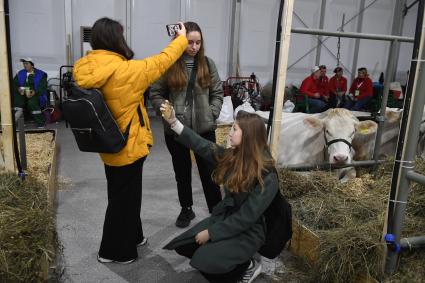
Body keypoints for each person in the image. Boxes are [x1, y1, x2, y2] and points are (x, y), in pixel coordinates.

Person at [72, 17, 188, 264]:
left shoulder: (84, 67)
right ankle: (114, 252)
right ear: (116, 39)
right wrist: (181, 40)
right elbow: (162, 61)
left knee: (123, 194)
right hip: (128, 144)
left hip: (106, 143)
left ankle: (135, 236)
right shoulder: (126, 71)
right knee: (122, 200)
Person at [161, 107, 278, 283]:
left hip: (249, 230)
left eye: (235, 129)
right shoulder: (234, 156)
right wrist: (173, 123)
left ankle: (248, 266)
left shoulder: (267, 175)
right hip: (226, 218)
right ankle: (225, 253)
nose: (229, 133)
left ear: (248, 135)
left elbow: (246, 218)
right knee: (184, 246)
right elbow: (201, 145)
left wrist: (211, 233)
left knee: (205, 261)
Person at [150, 21, 223, 228]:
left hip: (204, 129)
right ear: (180, 41)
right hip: (176, 130)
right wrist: (166, 111)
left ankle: (216, 211)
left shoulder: (208, 64)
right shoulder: (169, 65)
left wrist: (212, 113)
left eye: (198, 42)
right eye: (190, 42)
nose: (194, 47)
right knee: (181, 172)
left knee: (210, 172)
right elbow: (155, 94)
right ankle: (186, 209)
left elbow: (217, 93)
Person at [13, 57, 48, 128]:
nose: (24, 65)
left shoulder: (41, 74)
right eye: (24, 63)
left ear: (32, 65)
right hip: (22, 93)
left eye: (26, 63)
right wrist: (18, 88)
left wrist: (34, 92)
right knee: (17, 102)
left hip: (36, 94)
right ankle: (17, 122)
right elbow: (14, 83)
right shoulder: (20, 73)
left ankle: (40, 123)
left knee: (32, 103)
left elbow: (43, 86)